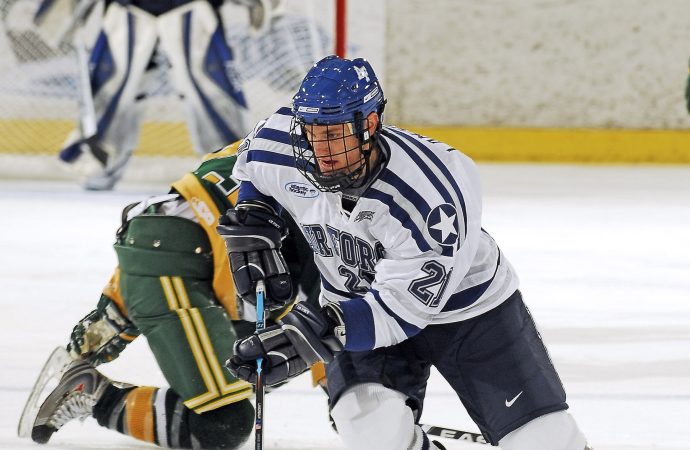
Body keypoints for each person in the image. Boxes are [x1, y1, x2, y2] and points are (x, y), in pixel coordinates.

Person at [217, 55, 593, 450]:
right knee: (370, 432)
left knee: (543, 442)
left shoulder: (431, 196)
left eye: (335, 133)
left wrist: (313, 336)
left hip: (470, 313)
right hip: (353, 302)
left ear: (370, 125)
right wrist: (254, 217)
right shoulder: (281, 143)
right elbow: (253, 170)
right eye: (311, 131)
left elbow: (400, 312)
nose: (320, 148)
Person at [20, 140, 321, 449]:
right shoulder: (337, 184)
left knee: (272, 355)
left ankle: (117, 318)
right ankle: (94, 394)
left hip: (173, 238)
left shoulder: (281, 133)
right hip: (183, 257)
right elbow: (324, 316)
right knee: (223, 424)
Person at [56, 0, 271, 191]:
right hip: (128, 9)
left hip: (192, 9)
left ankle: (230, 168)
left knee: (210, 92)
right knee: (112, 89)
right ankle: (99, 159)